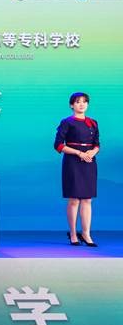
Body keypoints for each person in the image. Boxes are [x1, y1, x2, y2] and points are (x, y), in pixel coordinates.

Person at [54, 92, 100, 247]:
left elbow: (97, 144)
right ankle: (73, 233)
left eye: (84, 102)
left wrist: (92, 152)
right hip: (73, 162)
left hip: (89, 162)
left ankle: (86, 234)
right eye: (78, 102)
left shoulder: (93, 122)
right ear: (71, 105)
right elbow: (58, 145)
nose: (81, 104)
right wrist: (79, 153)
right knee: (74, 199)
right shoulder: (67, 122)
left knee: (87, 199)